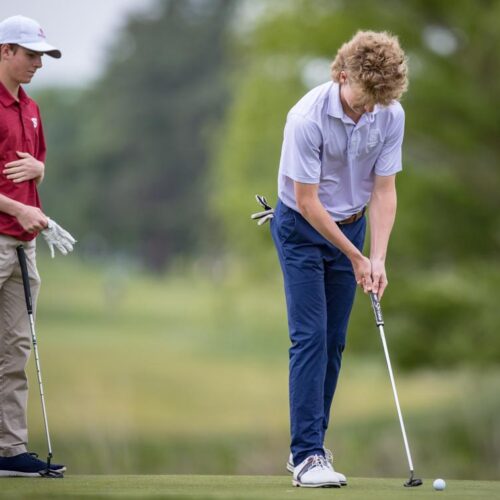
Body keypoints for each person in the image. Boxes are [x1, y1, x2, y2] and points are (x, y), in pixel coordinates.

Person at [270, 31, 408, 487]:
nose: (372, 108)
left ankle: (312, 450)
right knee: (310, 336)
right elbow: (307, 202)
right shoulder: (305, 118)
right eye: (367, 96)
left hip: (351, 223)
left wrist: (379, 257)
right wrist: (355, 257)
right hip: (302, 229)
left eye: (381, 99)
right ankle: (307, 454)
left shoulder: (388, 113)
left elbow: (384, 189)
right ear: (342, 74)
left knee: (334, 341)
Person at [0, 15, 73, 477]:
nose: (37, 66)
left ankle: (9, 450)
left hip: (23, 243)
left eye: (41, 58)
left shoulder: (31, 108)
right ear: (5, 50)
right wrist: (17, 208)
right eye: (30, 56)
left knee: (15, 349)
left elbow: (38, 159)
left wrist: (40, 174)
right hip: (6, 231)